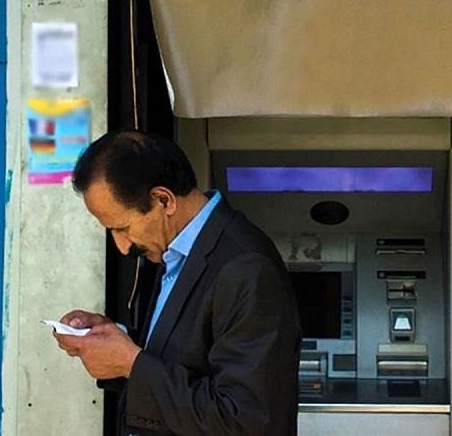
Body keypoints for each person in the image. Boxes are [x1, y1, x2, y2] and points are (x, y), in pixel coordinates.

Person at [53, 130, 301, 436]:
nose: (122, 246)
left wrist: (131, 363)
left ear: (163, 200)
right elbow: (182, 360)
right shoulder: (172, 251)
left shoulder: (246, 267)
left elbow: (246, 421)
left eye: (123, 228)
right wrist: (113, 341)